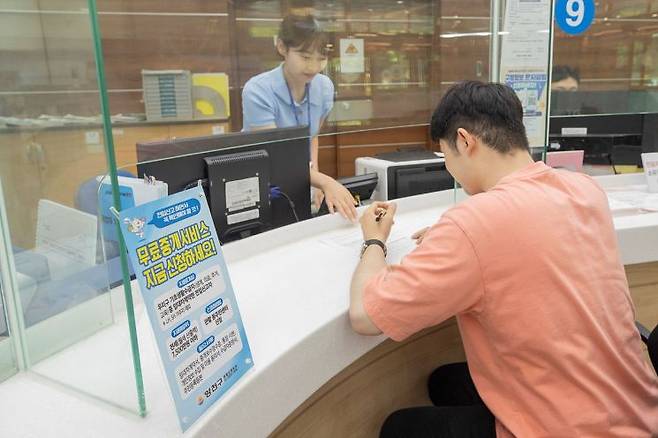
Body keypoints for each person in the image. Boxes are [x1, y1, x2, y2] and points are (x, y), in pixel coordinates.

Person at [349, 81, 658, 437]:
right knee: (445, 382)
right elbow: (530, 239)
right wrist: (461, 240)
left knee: (400, 428)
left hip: (569, 429)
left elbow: (365, 315)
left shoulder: (474, 225)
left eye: (446, 155)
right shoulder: (584, 189)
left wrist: (374, 240)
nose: (449, 166)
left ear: (465, 141)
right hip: (635, 408)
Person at [241, 14, 357, 222]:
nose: (313, 67)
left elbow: (312, 137)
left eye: (321, 59)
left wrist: (316, 183)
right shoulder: (257, 90)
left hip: (300, 178)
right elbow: (275, 155)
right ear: (282, 47)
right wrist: (324, 182)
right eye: (305, 57)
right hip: (259, 184)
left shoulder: (324, 87)